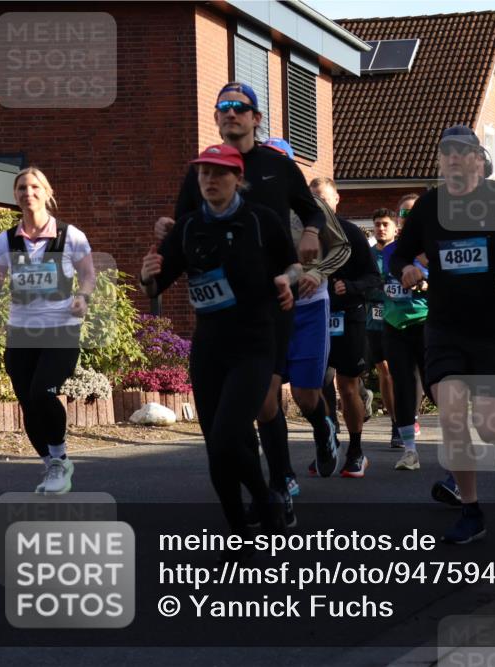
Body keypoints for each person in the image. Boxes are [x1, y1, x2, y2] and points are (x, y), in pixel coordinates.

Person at [154, 84, 332, 500]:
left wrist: (309, 233)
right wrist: (167, 230)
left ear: (255, 118)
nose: (231, 113)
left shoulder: (277, 166)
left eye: (240, 108)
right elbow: (184, 225)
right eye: (223, 108)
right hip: (222, 310)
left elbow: (310, 209)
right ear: (216, 118)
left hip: (274, 298)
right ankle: (263, 486)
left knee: (266, 398)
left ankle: (281, 478)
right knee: (247, 409)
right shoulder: (202, 169)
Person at [391, 125, 495, 543]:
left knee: (488, 424)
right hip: (445, 326)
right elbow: (400, 255)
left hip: (494, 328)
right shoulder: (429, 207)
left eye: (462, 152)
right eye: (446, 152)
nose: (453, 159)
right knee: (450, 413)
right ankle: (471, 509)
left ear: (480, 161)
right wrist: (406, 269)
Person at [140, 144, 298, 539]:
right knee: (218, 448)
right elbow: (160, 281)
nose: (210, 180)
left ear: (237, 179)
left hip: (254, 343)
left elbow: (294, 264)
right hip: (209, 347)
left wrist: (288, 279)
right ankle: (242, 531)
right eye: (203, 174)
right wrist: (147, 277)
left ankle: (265, 501)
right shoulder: (190, 227)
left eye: (219, 173)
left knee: (229, 436)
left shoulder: (262, 221)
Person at [0, 167, 95, 494]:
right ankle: (50, 466)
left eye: (34, 187)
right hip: (21, 331)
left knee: (42, 392)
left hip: (61, 328)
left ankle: (60, 459)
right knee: (27, 402)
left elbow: (88, 275)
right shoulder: (5, 240)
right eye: (21, 188)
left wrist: (83, 297)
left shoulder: (69, 236)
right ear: (15, 196)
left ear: (46, 192)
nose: (27, 193)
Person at [311, 178, 382, 478]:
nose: (319, 206)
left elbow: (374, 280)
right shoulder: (302, 235)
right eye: (313, 200)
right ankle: (328, 445)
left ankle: (356, 450)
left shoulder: (350, 233)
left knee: (348, 387)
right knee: (316, 385)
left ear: (336, 200)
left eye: (324, 199)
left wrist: (349, 286)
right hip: (316, 318)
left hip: (348, 318)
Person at [383, 194, 431, 471]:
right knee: (401, 384)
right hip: (394, 324)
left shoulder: (435, 249)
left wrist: (426, 286)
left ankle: (457, 446)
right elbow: (388, 273)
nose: (407, 217)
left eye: (412, 213)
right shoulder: (393, 251)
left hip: (425, 323)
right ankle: (409, 451)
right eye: (403, 213)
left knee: (434, 386)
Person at [366, 208, 399, 444]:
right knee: (385, 372)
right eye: (377, 224)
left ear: (395, 227)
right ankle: (396, 423)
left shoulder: (401, 254)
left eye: (385, 224)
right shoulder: (367, 256)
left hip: (400, 319)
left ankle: (403, 420)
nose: (381, 228)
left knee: (399, 372)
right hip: (374, 321)